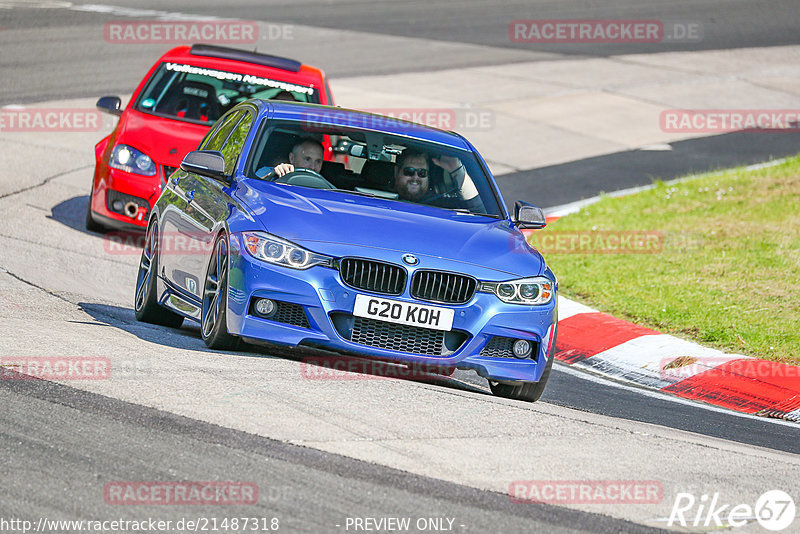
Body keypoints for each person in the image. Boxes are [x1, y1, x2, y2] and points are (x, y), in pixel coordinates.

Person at [393, 149, 483, 211]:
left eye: (422, 173)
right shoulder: (379, 193)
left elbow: (477, 210)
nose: (415, 178)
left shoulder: (440, 204)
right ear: (397, 171)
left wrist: (456, 169)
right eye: (409, 171)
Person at [256, 138, 324, 178]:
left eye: (318, 161)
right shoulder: (268, 172)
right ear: (292, 158)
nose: (313, 167)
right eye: (307, 159)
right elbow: (250, 190)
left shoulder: (327, 187)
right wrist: (272, 175)